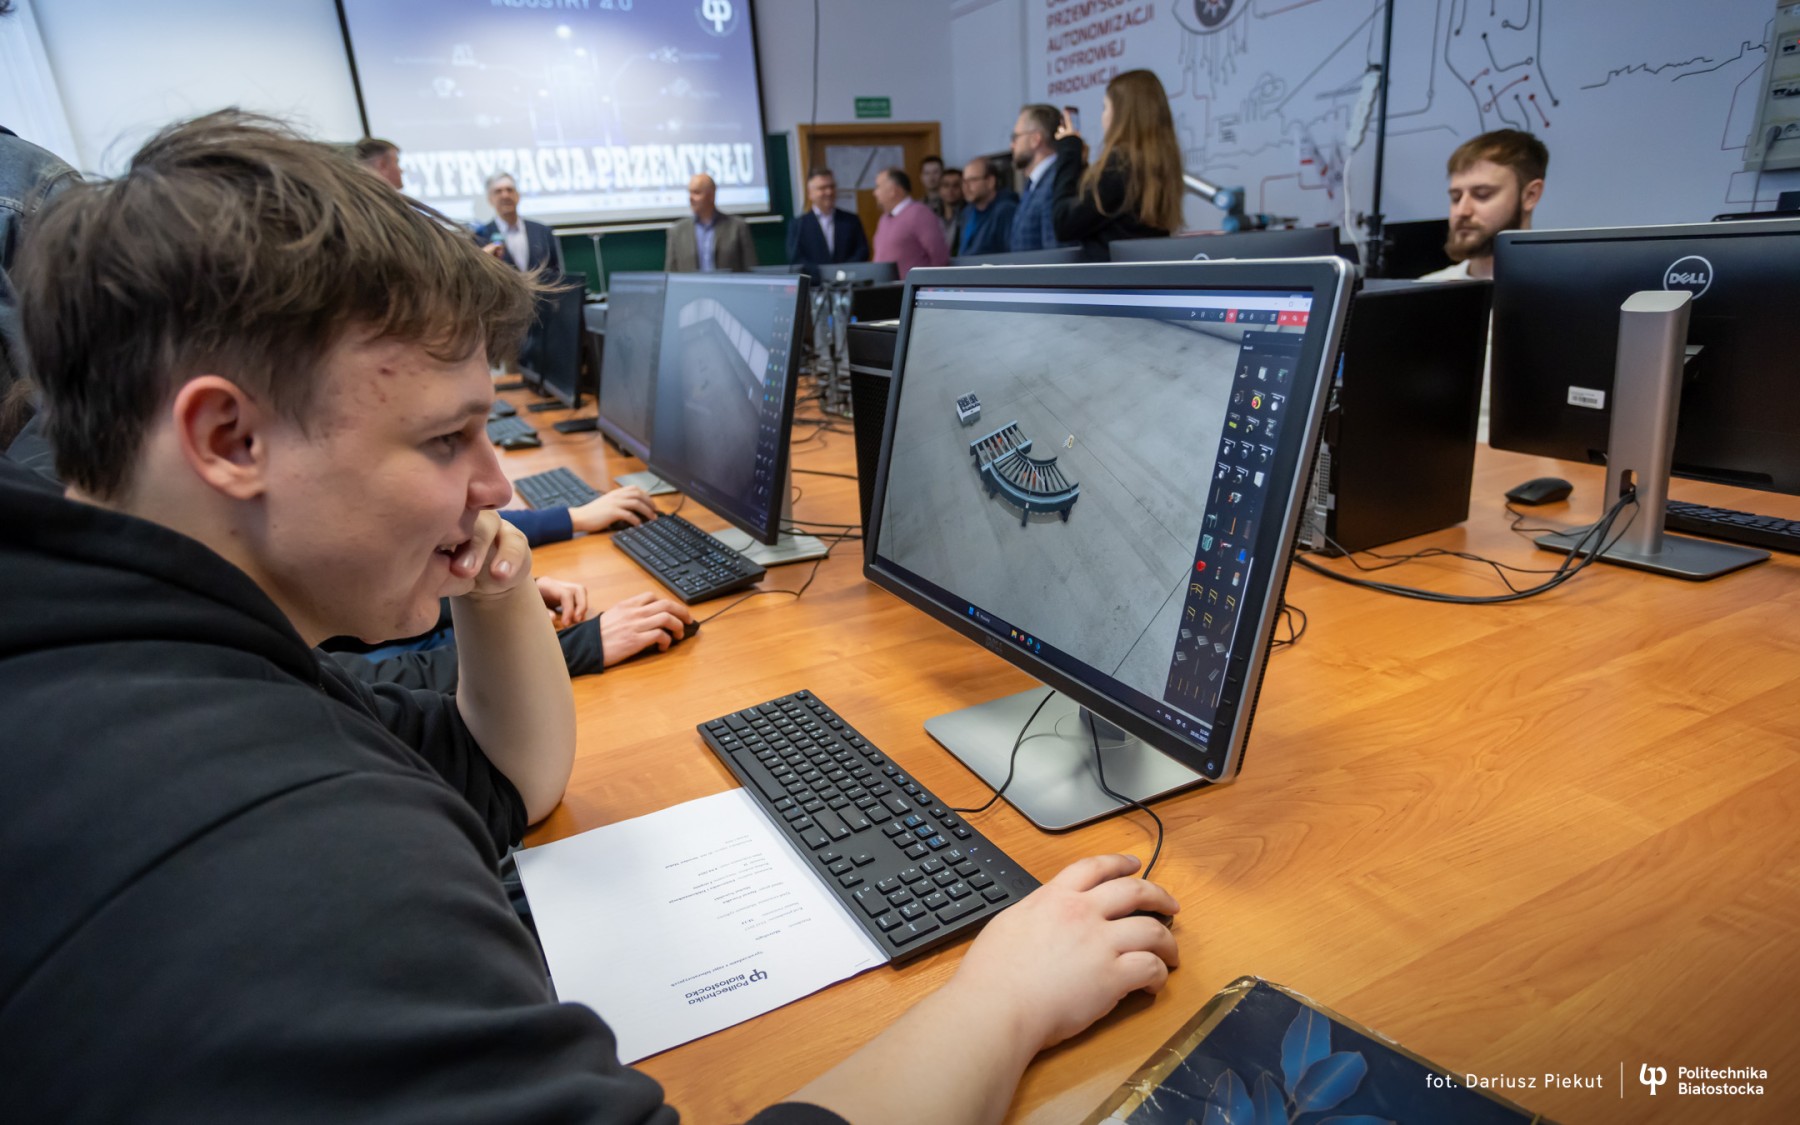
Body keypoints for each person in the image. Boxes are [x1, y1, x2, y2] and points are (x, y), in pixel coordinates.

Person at [2, 110, 1183, 1125]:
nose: (496, 484)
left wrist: (496, 576)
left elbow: (502, 777)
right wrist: (1001, 1000)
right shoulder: (284, 853)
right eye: (443, 439)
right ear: (228, 439)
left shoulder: (124, 655)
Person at [1050, 70, 1186, 260]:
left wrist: (1069, 150)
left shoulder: (1120, 167)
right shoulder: (1155, 164)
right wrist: (1082, 166)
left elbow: (1064, 222)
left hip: (1111, 274)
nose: (1103, 117)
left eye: (1105, 107)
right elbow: (1100, 216)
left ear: (1122, 114)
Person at [1420, 128, 1548, 281]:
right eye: (1456, 197)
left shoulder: (1564, 287)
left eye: (1482, 194)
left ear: (1530, 196)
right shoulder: (1427, 287)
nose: (1462, 211)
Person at [1007, 104, 1071, 253]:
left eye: (1015, 137)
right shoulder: (1034, 183)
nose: (1012, 145)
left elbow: (1055, 254)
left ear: (1035, 139)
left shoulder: (1055, 181)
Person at [665, 172, 758, 272]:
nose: (690, 198)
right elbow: (670, 274)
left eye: (696, 193)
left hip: (727, 282)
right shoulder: (677, 231)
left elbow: (751, 270)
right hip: (690, 283)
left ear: (711, 195)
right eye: (689, 193)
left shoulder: (737, 227)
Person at [784, 167, 870, 275]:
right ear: (810, 193)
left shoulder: (851, 220)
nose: (829, 192)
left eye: (832, 187)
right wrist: (823, 273)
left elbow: (862, 252)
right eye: (822, 188)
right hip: (814, 282)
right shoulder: (798, 225)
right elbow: (796, 258)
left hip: (847, 281)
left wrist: (841, 272)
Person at [475, 171, 564, 274]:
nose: (505, 195)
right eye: (498, 191)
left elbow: (556, 272)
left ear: (517, 195)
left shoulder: (542, 232)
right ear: (490, 199)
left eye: (510, 190)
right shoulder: (480, 237)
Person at [871, 167, 949, 279]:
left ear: (893, 190)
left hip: (913, 287)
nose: (875, 193)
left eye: (878, 187)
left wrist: (928, 284)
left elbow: (939, 255)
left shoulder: (920, 213)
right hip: (885, 288)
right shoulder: (884, 219)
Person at [958, 156, 1018, 258]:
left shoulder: (1006, 211)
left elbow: (1011, 255)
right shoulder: (967, 213)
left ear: (990, 182)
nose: (966, 187)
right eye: (964, 181)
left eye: (972, 180)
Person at [934, 164, 965, 254]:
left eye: (956, 185)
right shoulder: (931, 216)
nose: (950, 190)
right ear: (939, 189)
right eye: (946, 185)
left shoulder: (970, 215)